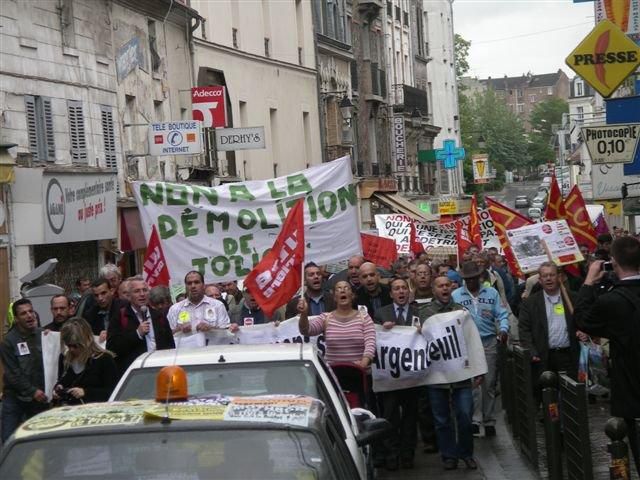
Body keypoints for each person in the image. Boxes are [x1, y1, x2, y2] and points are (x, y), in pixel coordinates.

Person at [574, 237, 640, 475]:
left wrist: (589, 281)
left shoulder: (612, 301)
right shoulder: (614, 298)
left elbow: (582, 318)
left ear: (614, 262)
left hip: (633, 391)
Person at [424, 275, 483, 471]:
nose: (444, 289)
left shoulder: (461, 312)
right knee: (441, 419)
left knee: (465, 414)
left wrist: (479, 369)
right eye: (440, 286)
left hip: (461, 374)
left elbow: (471, 340)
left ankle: (466, 453)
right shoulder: (425, 314)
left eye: (447, 285)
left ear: (452, 287)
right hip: (436, 375)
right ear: (434, 290)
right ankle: (449, 456)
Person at [451, 261, 509, 437]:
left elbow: (501, 313)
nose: (470, 282)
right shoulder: (456, 295)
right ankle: (475, 420)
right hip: (467, 343)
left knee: (489, 383)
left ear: (479, 277)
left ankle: (489, 419)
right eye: (467, 279)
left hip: (488, 341)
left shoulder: (491, 293)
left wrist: (504, 329)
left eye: (473, 278)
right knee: (473, 385)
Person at [373, 277, 420, 470]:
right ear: (391, 293)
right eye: (396, 289)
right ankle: (392, 453)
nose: (401, 292)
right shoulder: (381, 313)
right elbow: (374, 337)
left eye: (403, 288)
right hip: (390, 377)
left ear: (408, 292)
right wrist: (382, 331)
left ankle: (407, 454)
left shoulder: (419, 314)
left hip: (412, 378)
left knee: (410, 417)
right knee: (390, 415)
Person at [519, 262, 585, 391]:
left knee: (570, 395)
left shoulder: (573, 299)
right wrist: (532, 352)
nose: (548, 278)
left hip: (569, 356)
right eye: (545, 276)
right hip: (543, 357)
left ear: (559, 277)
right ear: (540, 279)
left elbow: (584, 323)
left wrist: (583, 332)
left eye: (552, 275)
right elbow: (524, 330)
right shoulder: (530, 303)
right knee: (548, 397)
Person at [0, 299, 48, 443]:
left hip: (39, 399)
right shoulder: (8, 341)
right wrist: (32, 391)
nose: (29, 316)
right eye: (23, 313)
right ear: (16, 319)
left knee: (40, 439)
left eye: (31, 311)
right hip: (15, 399)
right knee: (9, 440)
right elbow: (13, 373)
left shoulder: (43, 335)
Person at [298, 280, 376, 367]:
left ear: (353, 295)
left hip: (361, 373)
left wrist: (363, 364)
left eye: (346, 288)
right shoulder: (325, 318)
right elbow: (306, 330)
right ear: (335, 297)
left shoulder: (364, 318)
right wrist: (304, 313)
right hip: (333, 375)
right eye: (338, 289)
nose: (342, 290)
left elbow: (370, 344)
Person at [107, 277, 175, 376]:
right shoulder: (120, 317)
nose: (142, 294)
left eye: (145, 290)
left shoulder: (159, 316)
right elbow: (112, 348)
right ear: (129, 296)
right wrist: (137, 334)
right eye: (137, 291)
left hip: (160, 371)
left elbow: (170, 346)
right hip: (135, 374)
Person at [53, 318, 118, 404]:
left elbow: (113, 392)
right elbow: (62, 380)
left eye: (75, 346)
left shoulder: (104, 359)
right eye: (68, 345)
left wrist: (86, 392)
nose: (71, 349)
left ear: (86, 341)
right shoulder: (64, 358)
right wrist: (58, 388)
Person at [167, 271, 235, 335]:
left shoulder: (217, 305)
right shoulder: (175, 309)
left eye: (196, 282)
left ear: (203, 285)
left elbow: (227, 333)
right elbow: (167, 336)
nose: (193, 286)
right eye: (189, 283)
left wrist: (211, 329)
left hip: (213, 347)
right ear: (185, 286)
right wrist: (179, 329)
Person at [83, 277, 124, 341]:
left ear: (112, 291)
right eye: (96, 295)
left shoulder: (123, 308)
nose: (100, 298)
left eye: (103, 293)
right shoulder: (90, 314)